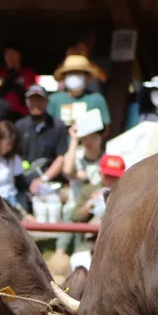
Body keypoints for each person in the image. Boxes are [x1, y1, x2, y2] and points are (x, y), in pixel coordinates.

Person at [52, 108, 105, 276]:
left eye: (91, 137)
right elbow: (67, 171)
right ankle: (60, 257)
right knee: (71, 215)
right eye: (85, 137)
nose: (88, 141)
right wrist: (74, 139)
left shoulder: (106, 159)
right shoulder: (77, 155)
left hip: (97, 209)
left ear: (99, 137)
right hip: (76, 207)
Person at [15, 85, 69, 191]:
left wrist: (42, 180)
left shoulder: (58, 126)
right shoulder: (19, 126)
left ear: (46, 101)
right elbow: (14, 156)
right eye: (32, 100)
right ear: (27, 102)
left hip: (50, 182)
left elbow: (61, 158)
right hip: (23, 182)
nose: (35, 103)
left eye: (39, 99)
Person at [47, 55, 110, 128]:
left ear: (87, 77)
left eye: (79, 73)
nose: (75, 76)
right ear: (64, 76)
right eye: (71, 73)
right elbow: (48, 128)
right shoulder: (54, 99)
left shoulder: (97, 99)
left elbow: (105, 128)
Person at [0, 42, 36, 119]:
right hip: (2, 114)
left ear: (19, 55)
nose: (10, 57)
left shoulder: (28, 73)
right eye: (7, 54)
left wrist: (15, 82)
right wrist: (8, 80)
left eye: (13, 54)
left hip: (22, 114)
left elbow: (30, 95)